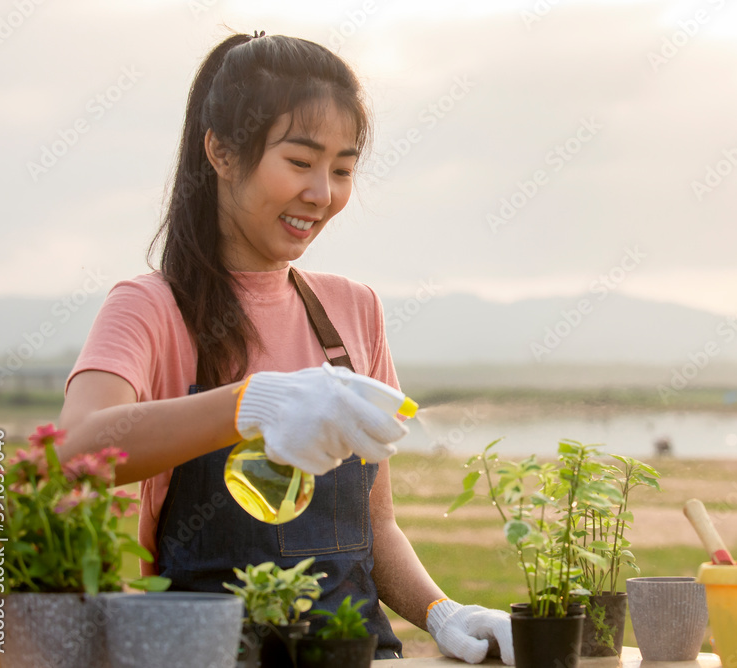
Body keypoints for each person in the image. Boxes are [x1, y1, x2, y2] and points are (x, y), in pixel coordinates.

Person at [58, 31, 513, 664]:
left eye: (343, 169)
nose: (322, 193)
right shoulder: (151, 307)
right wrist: (251, 403)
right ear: (220, 151)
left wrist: (443, 612)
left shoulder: (355, 310)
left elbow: (372, 527)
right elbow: (77, 449)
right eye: (300, 162)